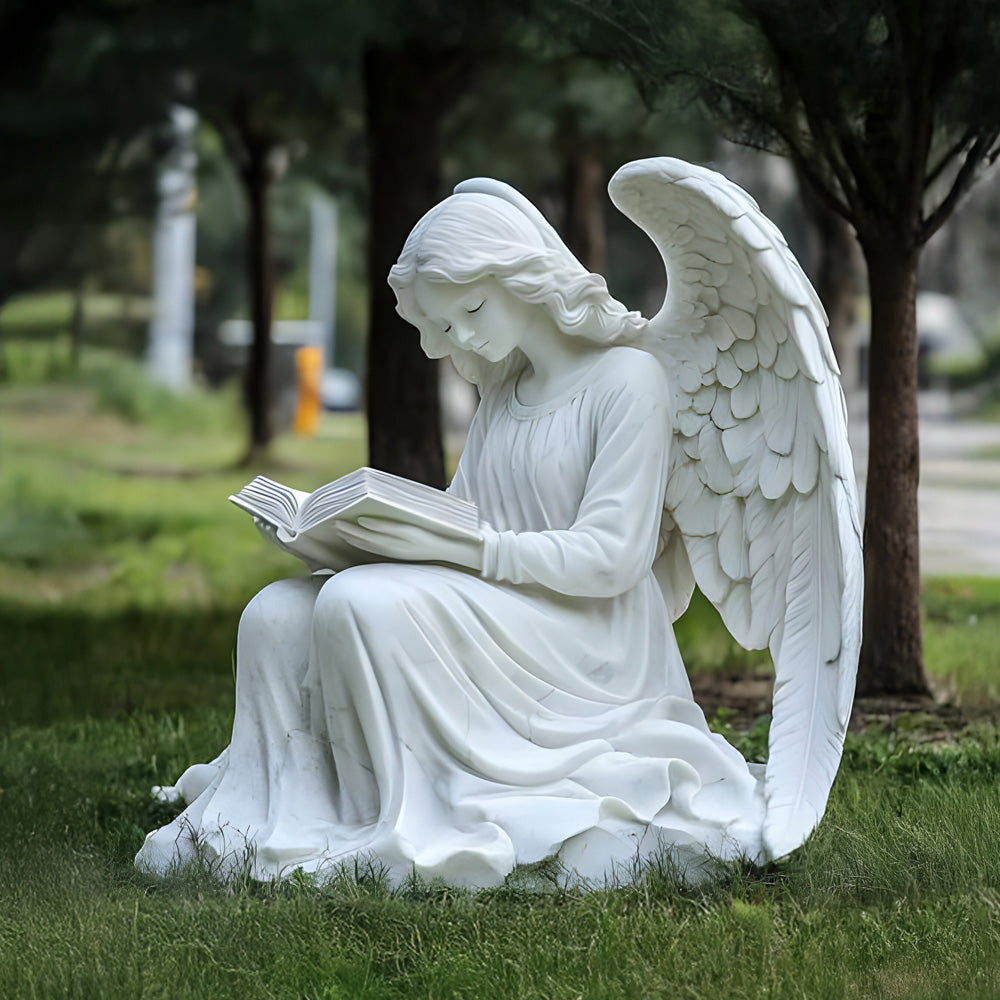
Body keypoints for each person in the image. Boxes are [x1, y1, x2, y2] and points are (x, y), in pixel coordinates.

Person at [135, 179, 765, 887]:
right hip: (504, 601)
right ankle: (284, 812)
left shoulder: (629, 380)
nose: (461, 339)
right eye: (445, 325)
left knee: (363, 605)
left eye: (470, 310)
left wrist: (461, 550)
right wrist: (342, 540)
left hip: (591, 636)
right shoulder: (503, 396)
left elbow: (614, 558)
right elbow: (464, 514)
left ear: (520, 277)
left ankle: (410, 822)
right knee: (278, 612)